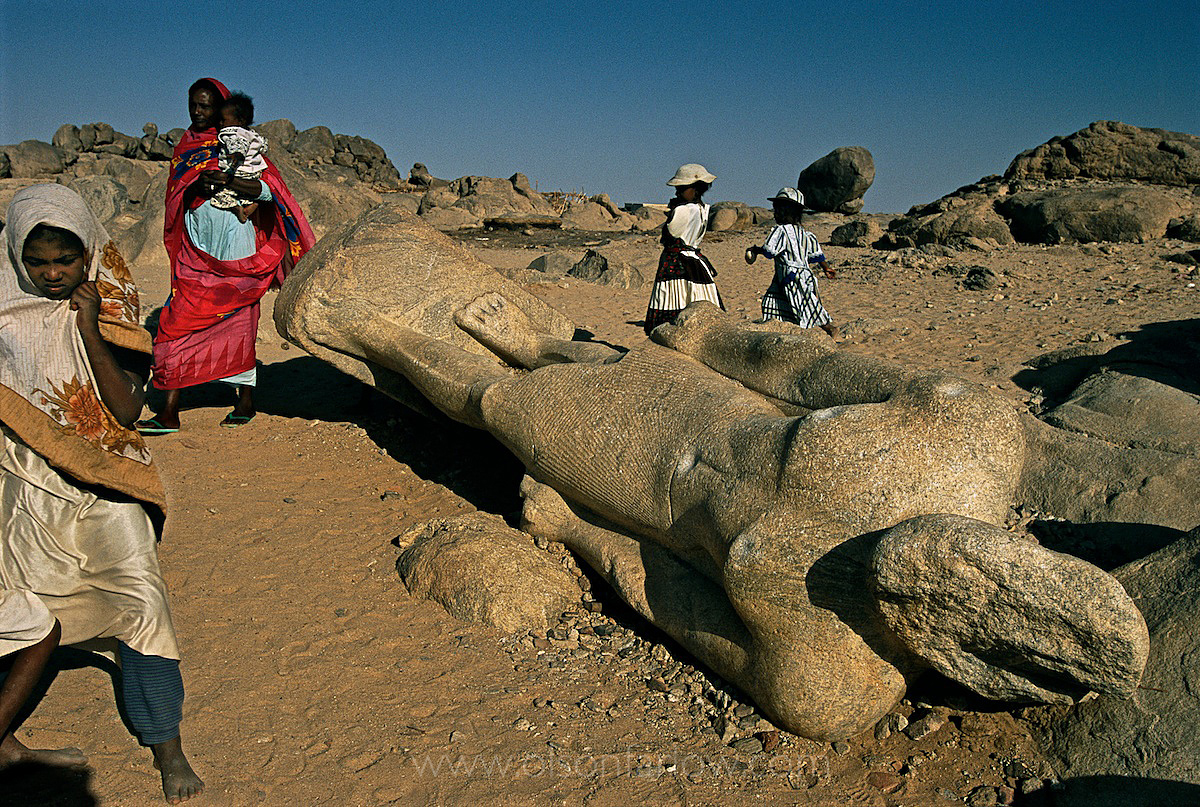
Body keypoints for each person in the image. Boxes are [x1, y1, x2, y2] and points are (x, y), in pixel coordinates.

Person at [0, 184, 203, 802]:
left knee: (142, 601)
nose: (52, 273)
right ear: (15, 256)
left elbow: (128, 408)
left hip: (108, 481)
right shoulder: (3, 311)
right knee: (23, 610)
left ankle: (167, 744)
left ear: (88, 252)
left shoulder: (109, 306)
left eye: (66, 259)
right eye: (37, 262)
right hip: (26, 481)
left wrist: (87, 326)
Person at [139, 76, 315, 434]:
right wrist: (196, 185)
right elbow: (176, 196)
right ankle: (169, 411)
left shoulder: (243, 144)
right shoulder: (186, 148)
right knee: (176, 319)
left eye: (205, 106)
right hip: (196, 242)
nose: (197, 111)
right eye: (193, 105)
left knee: (239, 315)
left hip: (236, 241)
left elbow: (271, 191)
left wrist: (230, 182)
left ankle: (245, 401)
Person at [744, 187, 837, 338]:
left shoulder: (780, 231)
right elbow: (817, 255)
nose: (774, 214)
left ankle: (829, 328)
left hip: (791, 278)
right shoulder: (805, 233)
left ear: (784, 211)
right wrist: (826, 268)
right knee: (773, 302)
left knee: (805, 307)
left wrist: (755, 250)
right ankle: (781, 333)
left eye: (777, 210)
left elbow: (769, 252)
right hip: (799, 276)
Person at [643, 163, 722, 335]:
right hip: (695, 262)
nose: (677, 192)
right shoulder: (704, 209)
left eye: (681, 188)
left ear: (696, 188)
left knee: (672, 300)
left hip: (676, 262)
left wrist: (672, 213)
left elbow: (669, 235)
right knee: (696, 297)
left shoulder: (682, 210)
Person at [210, 91, 268, 225]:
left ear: (240, 121)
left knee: (218, 193)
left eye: (223, 119)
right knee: (244, 193)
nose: (220, 123)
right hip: (254, 174)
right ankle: (253, 203)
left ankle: (236, 208)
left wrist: (237, 154)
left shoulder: (231, 133)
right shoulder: (252, 134)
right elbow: (263, 147)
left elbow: (238, 145)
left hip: (238, 172)